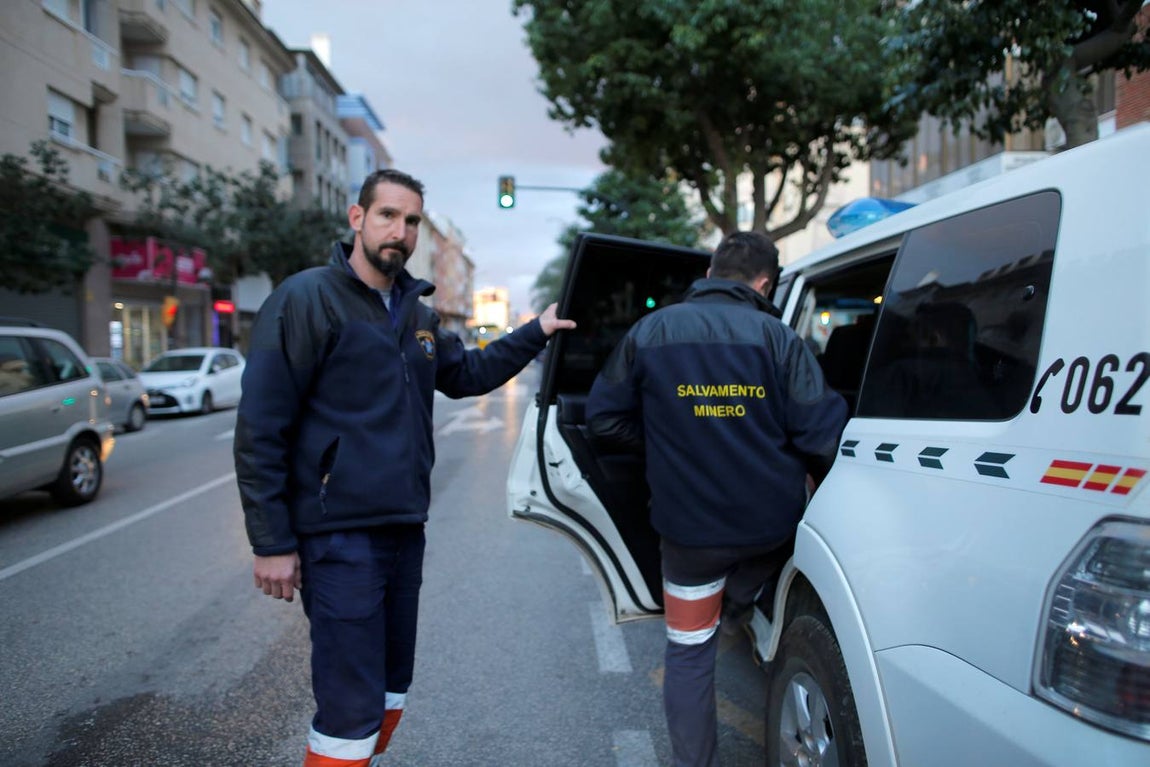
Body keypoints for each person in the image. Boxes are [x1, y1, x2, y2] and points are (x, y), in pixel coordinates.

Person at [234, 168, 575, 767]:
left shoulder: (416, 314)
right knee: (349, 707)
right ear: (357, 218)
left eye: (412, 220)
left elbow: (466, 374)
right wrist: (270, 541)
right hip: (338, 535)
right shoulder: (306, 298)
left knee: (392, 691)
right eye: (388, 215)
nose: (401, 230)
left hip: (402, 530)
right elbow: (261, 427)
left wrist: (538, 332)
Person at [585, 230, 847, 767]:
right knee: (763, 590)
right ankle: (742, 609)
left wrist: (666, 438)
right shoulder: (780, 340)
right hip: (769, 532)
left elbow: (602, 421)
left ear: (708, 275)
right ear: (764, 284)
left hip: (689, 536)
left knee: (687, 654)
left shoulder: (650, 331)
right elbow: (824, 437)